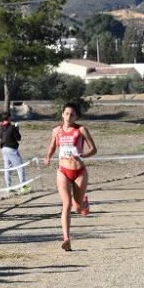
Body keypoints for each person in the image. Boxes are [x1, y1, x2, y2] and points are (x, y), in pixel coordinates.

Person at [44, 102, 98, 251]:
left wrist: (82, 154)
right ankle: (66, 239)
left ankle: (83, 203)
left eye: (72, 114)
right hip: (63, 171)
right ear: (62, 114)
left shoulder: (81, 130)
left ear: (76, 116)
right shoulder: (56, 131)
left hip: (79, 171)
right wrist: (48, 157)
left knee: (78, 207)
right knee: (66, 204)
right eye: (66, 113)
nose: (69, 117)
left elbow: (94, 149)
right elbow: (52, 145)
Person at [0, 112, 26, 190]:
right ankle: (23, 186)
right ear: (9, 118)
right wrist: (17, 129)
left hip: (3, 148)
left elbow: (1, 136)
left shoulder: (0, 127)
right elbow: (18, 138)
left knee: (7, 168)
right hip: (11, 149)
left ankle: (8, 187)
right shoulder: (12, 127)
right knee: (20, 166)